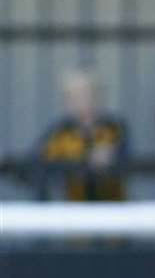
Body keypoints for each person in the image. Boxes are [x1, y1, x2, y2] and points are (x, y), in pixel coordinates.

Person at [35, 70, 127, 202]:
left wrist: (111, 156)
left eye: (85, 94)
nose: (79, 101)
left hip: (111, 206)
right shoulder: (60, 132)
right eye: (73, 96)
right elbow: (37, 158)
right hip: (74, 206)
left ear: (97, 97)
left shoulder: (114, 128)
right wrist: (72, 159)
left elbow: (125, 156)